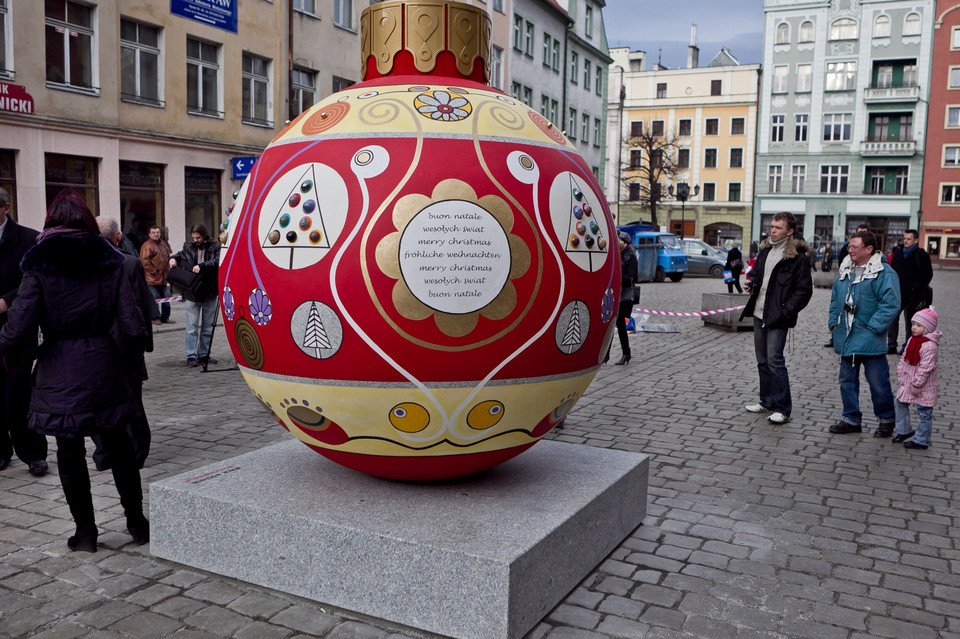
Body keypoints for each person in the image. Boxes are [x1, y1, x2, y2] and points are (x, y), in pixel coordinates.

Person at [0, 190, 149, 552]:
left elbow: (18, 326)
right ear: (86, 220)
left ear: (51, 221)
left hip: (58, 367)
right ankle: (137, 524)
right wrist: (126, 368)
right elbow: (133, 326)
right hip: (104, 365)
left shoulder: (38, 263)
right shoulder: (110, 260)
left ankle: (85, 533)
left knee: (69, 452)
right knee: (120, 448)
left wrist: (11, 349)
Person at [91, 216, 155, 470]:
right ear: (118, 237)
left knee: (99, 402)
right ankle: (134, 453)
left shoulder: (84, 265)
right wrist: (145, 344)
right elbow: (142, 307)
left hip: (95, 347)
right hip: (125, 345)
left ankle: (105, 453)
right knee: (131, 401)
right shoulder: (128, 263)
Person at [826, 230, 900, 438]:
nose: (849, 250)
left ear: (869, 249)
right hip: (846, 336)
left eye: (854, 247)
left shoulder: (884, 273)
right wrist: (834, 323)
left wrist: (873, 328)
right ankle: (851, 419)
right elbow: (834, 300)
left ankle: (887, 420)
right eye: (849, 246)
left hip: (869, 337)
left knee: (878, 382)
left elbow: (890, 304)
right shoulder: (845, 270)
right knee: (846, 380)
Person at [740, 212, 812, 425]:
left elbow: (803, 291)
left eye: (778, 227)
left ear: (790, 231)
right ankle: (767, 400)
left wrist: (785, 310)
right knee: (762, 360)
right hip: (759, 311)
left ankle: (783, 408)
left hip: (778, 316)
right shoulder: (766, 250)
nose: (772, 230)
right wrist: (751, 283)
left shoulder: (797, 257)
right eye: (772, 226)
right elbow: (756, 274)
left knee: (775, 360)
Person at [0, 187, 49, 476]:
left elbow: (36, 281)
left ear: (5, 207)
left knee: (18, 394)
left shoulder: (29, 239)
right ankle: (1, 451)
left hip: (16, 331)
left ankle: (33, 453)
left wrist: (9, 299)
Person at [170, 224, 221, 368]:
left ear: (204, 236)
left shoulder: (215, 246)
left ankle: (204, 354)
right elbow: (180, 255)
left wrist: (203, 265)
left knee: (207, 326)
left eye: (198, 237)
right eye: (193, 237)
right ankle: (190, 355)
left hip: (210, 290)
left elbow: (218, 261)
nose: (196, 240)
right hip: (193, 290)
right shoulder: (188, 246)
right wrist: (173, 259)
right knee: (191, 326)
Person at [892, 307, 940, 450]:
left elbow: (926, 368)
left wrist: (917, 385)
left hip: (923, 386)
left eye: (919, 325)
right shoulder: (912, 340)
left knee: (924, 412)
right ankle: (904, 430)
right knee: (899, 402)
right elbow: (904, 358)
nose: (914, 327)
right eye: (913, 324)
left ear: (928, 328)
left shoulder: (929, 346)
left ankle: (922, 439)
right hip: (908, 382)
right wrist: (900, 371)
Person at [886, 229, 932, 355]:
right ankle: (891, 345)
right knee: (892, 319)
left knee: (911, 323)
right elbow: (892, 271)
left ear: (916, 240)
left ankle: (908, 346)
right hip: (898, 293)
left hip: (913, 295)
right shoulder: (899, 254)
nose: (905, 241)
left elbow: (927, 275)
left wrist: (916, 288)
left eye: (909, 239)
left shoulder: (921, 255)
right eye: (904, 238)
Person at [606, 231, 638, 366]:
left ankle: (625, 353)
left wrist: (618, 277)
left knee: (618, 324)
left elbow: (632, 278)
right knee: (611, 324)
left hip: (624, 297)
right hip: (615, 294)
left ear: (625, 244)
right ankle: (608, 354)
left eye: (620, 242)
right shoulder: (616, 255)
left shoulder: (630, 257)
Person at [139, 224, 173, 325]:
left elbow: (167, 257)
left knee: (166, 297)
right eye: (153, 233)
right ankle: (155, 317)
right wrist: (154, 272)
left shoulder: (163, 244)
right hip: (152, 278)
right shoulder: (147, 246)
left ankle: (165, 317)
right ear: (149, 234)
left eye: (157, 232)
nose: (156, 234)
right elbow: (145, 262)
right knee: (155, 298)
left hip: (163, 277)